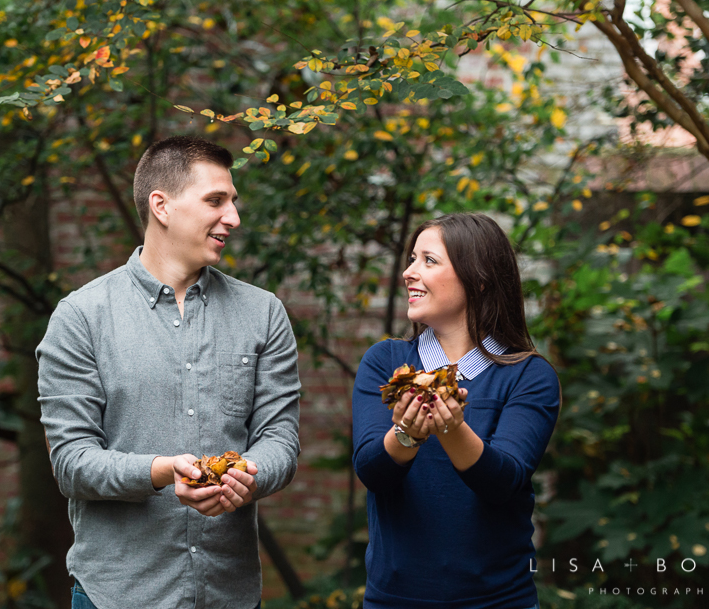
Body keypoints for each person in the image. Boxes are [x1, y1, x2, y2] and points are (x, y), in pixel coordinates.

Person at [36, 136, 301, 609]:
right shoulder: (81, 317)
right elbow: (71, 463)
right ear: (162, 205)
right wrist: (159, 471)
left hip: (230, 594)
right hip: (115, 595)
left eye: (233, 202)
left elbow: (280, 439)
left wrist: (248, 475)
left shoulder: (263, 313)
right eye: (216, 201)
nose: (234, 218)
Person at [352, 212, 560, 609]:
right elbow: (372, 472)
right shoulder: (386, 363)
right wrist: (408, 434)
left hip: (499, 602)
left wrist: (450, 428)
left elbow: (503, 482)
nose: (408, 273)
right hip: (394, 601)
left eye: (428, 261)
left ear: (478, 279)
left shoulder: (528, 375)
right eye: (412, 259)